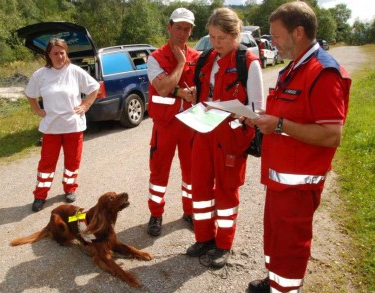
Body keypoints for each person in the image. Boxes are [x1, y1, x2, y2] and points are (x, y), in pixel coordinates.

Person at [246, 2, 351, 292]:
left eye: (276, 36)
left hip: (298, 187)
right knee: (276, 239)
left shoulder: (323, 73)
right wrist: (261, 120)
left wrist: (278, 124)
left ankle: (285, 287)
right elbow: (288, 115)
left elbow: (332, 135)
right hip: (280, 179)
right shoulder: (293, 68)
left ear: (299, 32)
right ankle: (274, 281)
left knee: (291, 247)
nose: (272, 43)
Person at [185, 7, 264, 268]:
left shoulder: (248, 63)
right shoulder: (207, 58)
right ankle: (204, 237)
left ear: (235, 35)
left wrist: (238, 115)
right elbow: (202, 92)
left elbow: (257, 108)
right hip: (204, 131)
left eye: (221, 38)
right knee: (200, 187)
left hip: (230, 137)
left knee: (227, 193)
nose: (215, 43)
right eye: (212, 37)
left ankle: (224, 244)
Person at [25, 38, 100, 212]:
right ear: (48, 55)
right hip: (51, 128)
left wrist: (86, 105)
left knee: (72, 161)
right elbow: (30, 94)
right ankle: (40, 195)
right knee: (46, 165)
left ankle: (70, 188)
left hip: (73, 126)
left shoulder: (74, 71)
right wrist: (37, 110)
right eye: (55, 53)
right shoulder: (41, 74)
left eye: (62, 53)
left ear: (66, 53)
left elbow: (94, 87)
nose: (59, 56)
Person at [146, 7, 200, 236]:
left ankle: (189, 212)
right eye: (178, 27)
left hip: (191, 125)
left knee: (191, 173)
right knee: (159, 173)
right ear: (169, 27)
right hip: (165, 126)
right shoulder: (155, 58)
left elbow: (206, 88)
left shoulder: (199, 57)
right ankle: (156, 214)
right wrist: (180, 63)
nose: (182, 33)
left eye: (187, 29)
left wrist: (197, 92)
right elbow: (163, 87)